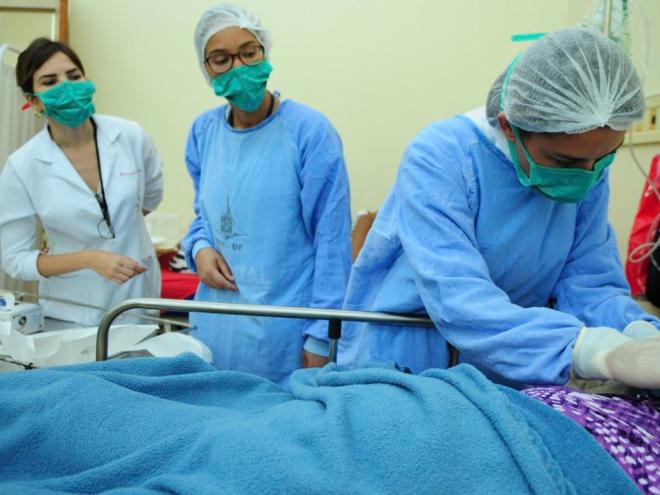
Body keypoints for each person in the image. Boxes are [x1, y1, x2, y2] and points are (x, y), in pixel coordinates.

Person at [338, 26, 660, 390]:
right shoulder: (442, 156)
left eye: (604, 158)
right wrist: (589, 351)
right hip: (413, 357)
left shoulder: (587, 163)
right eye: (564, 162)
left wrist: (638, 332)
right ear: (509, 127)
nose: (586, 177)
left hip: (516, 357)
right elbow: (457, 296)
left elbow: (589, 282)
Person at [182, 4, 351, 385]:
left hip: (284, 333)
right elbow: (203, 218)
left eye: (248, 52)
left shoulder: (309, 132)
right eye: (221, 59)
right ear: (206, 69)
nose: (238, 67)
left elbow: (331, 242)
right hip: (215, 324)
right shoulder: (203, 132)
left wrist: (321, 337)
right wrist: (200, 248)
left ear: (265, 52)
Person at [0, 38, 163, 326]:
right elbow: (15, 259)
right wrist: (88, 258)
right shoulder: (23, 165)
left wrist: (118, 230)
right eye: (50, 81)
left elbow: (151, 196)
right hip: (71, 311)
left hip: (137, 299)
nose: (67, 86)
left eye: (74, 76)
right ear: (32, 101)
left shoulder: (130, 136)